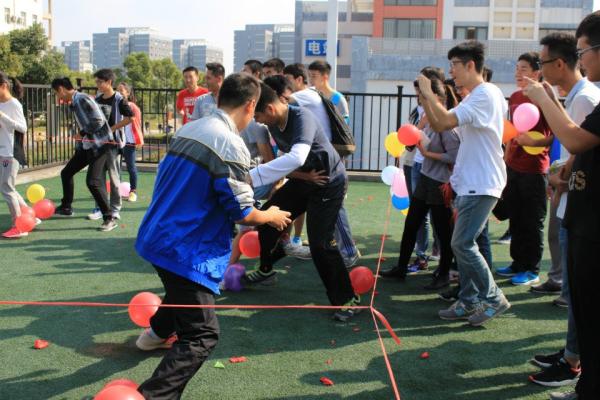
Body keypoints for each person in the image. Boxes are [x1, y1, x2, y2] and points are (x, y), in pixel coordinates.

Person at [134, 73, 291, 400]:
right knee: (202, 334)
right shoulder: (230, 143)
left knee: (180, 292)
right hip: (184, 247)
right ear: (250, 105)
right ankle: (152, 396)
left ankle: (153, 335)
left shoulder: (190, 128)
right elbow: (242, 212)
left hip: (157, 234)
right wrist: (271, 215)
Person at [524, 12, 600, 398]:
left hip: (592, 224)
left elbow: (575, 139)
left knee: (588, 310)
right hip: (584, 217)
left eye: (584, 51)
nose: (581, 59)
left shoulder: (587, 96)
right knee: (582, 308)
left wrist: (544, 99)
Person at [243, 82, 360, 322]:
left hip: (328, 182)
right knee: (266, 219)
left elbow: (297, 156)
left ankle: (348, 299)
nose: (257, 121)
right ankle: (266, 269)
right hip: (306, 179)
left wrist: (252, 176)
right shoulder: (273, 124)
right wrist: (304, 176)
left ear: (270, 109)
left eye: (258, 116)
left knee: (320, 244)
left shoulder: (301, 117)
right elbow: (287, 160)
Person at [417, 41, 510, 327]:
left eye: (454, 66)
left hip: (481, 183)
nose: (451, 72)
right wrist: (426, 97)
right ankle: (469, 300)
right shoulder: (477, 96)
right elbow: (439, 122)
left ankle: (493, 297)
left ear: (470, 65)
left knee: (462, 243)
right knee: (463, 244)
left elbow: (444, 121)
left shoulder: (485, 95)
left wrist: (429, 93)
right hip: (471, 182)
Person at [381, 77, 460, 290]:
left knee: (443, 231)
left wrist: (427, 153)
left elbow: (454, 156)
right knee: (411, 224)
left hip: (439, 184)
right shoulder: (430, 121)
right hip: (426, 178)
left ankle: (443, 274)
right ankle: (401, 268)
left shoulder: (446, 125)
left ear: (437, 99)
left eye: (423, 97)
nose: (420, 101)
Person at [282, 64, 361, 267]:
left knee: (335, 206)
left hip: (328, 160)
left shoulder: (314, 96)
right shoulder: (311, 96)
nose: (311, 78)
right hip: (317, 159)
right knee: (323, 205)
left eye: (314, 75)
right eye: (310, 75)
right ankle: (334, 246)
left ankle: (348, 250)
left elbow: (342, 129)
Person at [495, 52, 554, 286]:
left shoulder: (545, 95)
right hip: (514, 166)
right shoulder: (515, 96)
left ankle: (532, 269)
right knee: (516, 218)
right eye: (516, 68)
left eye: (524, 69)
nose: (518, 73)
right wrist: (506, 160)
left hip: (535, 169)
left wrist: (536, 143)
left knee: (532, 221)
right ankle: (517, 263)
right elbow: (512, 132)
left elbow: (557, 134)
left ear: (537, 72)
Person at [51, 77, 119, 231]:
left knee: (93, 182)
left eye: (56, 93)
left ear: (61, 89)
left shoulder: (82, 99)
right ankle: (66, 207)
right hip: (88, 145)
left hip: (101, 145)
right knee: (66, 173)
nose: (57, 96)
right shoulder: (75, 102)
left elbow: (98, 121)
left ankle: (109, 218)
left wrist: (81, 133)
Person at [87, 69, 133, 221]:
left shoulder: (119, 99)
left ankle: (114, 209)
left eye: (100, 82)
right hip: (98, 144)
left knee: (114, 179)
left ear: (109, 82)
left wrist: (111, 129)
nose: (97, 84)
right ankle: (100, 208)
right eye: (97, 82)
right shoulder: (97, 99)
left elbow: (130, 118)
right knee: (97, 179)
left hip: (113, 145)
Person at [0, 72, 28, 239]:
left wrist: (3, 117)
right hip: (2, 150)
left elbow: (22, 128)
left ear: (3, 86)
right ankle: (29, 215)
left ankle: (19, 227)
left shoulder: (14, 104)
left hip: (11, 152)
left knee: (6, 187)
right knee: (7, 186)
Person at [116, 82, 143, 202]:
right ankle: (116, 189)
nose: (119, 92)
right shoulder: (115, 105)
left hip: (129, 142)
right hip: (117, 141)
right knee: (116, 167)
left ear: (127, 92)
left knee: (131, 167)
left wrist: (139, 139)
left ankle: (133, 191)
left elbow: (137, 124)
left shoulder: (132, 106)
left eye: (121, 90)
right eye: (117, 90)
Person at [307, 60, 350, 124]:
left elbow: (344, 124)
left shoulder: (338, 99)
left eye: (314, 76)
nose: (310, 80)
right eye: (309, 76)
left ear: (325, 77)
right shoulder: (311, 96)